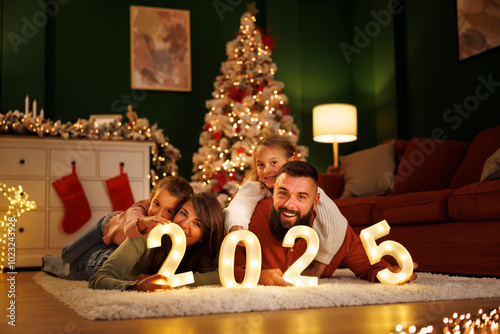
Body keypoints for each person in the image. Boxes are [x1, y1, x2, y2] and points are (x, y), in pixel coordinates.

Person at [233, 161, 418, 285]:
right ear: (272, 193)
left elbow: (368, 267)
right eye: (283, 193)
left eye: (301, 197)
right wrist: (259, 277)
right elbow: (228, 269)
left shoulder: (334, 229)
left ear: (315, 202)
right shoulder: (250, 221)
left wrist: (391, 273)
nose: (290, 204)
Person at [224, 134, 347, 277]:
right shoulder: (256, 186)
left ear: (291, 161)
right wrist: (236, 227)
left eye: (273, 163)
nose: (266, 170)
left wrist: (318, 268)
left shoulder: (308, 188)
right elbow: (238, 206)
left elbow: (335, 222)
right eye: (261, 164)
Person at [41, 176, 193, 280]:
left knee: (84, 259)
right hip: (107, 227)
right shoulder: (140, 208)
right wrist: (144, 222)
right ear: (152, 196)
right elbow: (129, 231)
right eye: (157, 204)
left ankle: (50, 261)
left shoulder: (168, 227)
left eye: (169, 211)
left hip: (117, 245)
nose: (158, 213)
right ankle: (53, 259)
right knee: (67, 255)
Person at [88, 191, 225, 291]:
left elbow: (220, 275)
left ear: (204, 237)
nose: (184, 224)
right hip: (95, 258)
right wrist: (135, 287)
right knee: (67, 264)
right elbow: (98, 279)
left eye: (197, 224)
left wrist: (172, 280)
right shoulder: (147, 235)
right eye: (183, 213)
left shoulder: (205, 252)